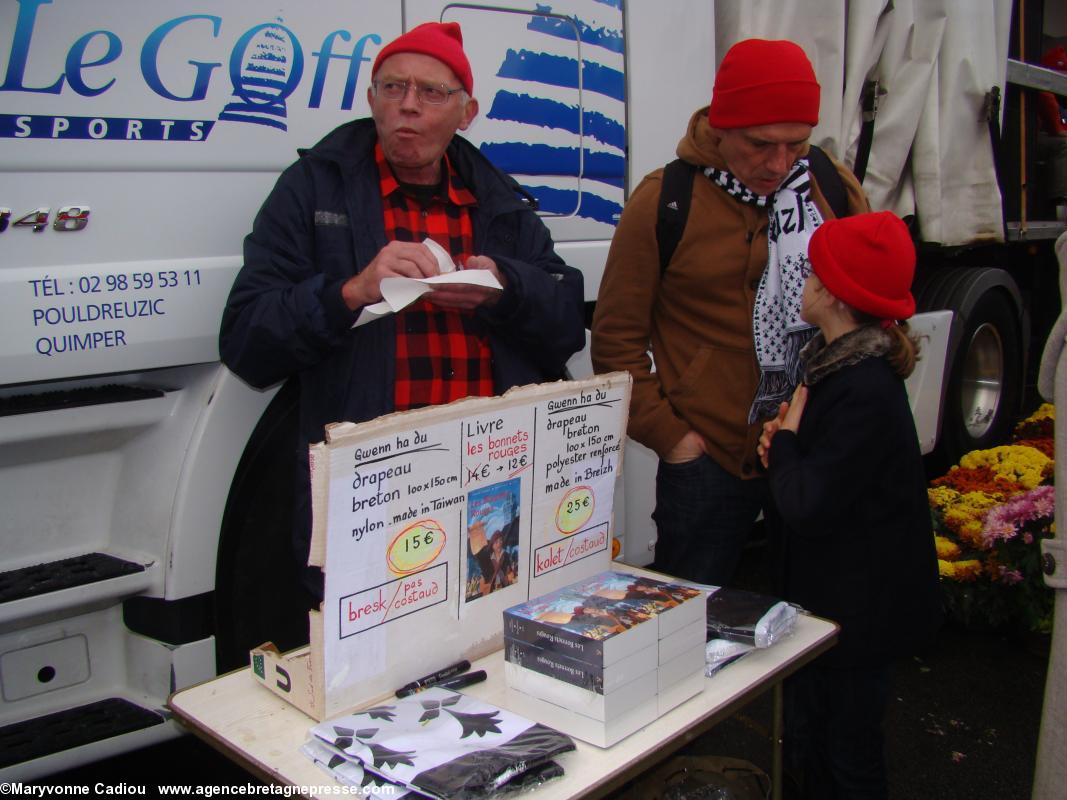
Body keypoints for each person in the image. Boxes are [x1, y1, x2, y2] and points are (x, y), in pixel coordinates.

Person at [219, 21, 585, 600]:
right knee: (369, 667)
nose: (408, 106)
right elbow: (245, 341)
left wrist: (506, 289)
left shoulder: (499, 203)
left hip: (487, 495)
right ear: (371, 100)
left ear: (467, 113)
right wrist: (351, 293)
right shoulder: (313, 190)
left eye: (431, 92)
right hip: (376, 492)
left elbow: (567, 323)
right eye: (393, 88)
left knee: (482, 655)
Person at [590, 38, 869, 586]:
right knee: (687, 630)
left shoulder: (829, 186)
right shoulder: (665, 200)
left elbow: (866, 309)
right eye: (761, 144)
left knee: (812, 620)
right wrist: (674, 441)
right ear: (721, 124)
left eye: (796, 144)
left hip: (815, 447)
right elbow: (616, 341)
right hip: (708, 464)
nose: (779, 163)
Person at [757, 211, 942, 799]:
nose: (802, 280)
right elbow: (819, 475)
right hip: (836, 607)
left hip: (858, 620)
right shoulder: (838, 366)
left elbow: (806, 502)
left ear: (832, 294)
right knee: (813, 743)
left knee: (849, 759)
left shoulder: (860, 388)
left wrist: (785, 445)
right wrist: (787, 445)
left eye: (812, 272)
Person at [1037, 45, 1067, 220]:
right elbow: (1056, 129)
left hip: (1048, 136)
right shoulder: (1044, 91)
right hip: (1033, 139)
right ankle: (1062, 203)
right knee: (1064, 145)